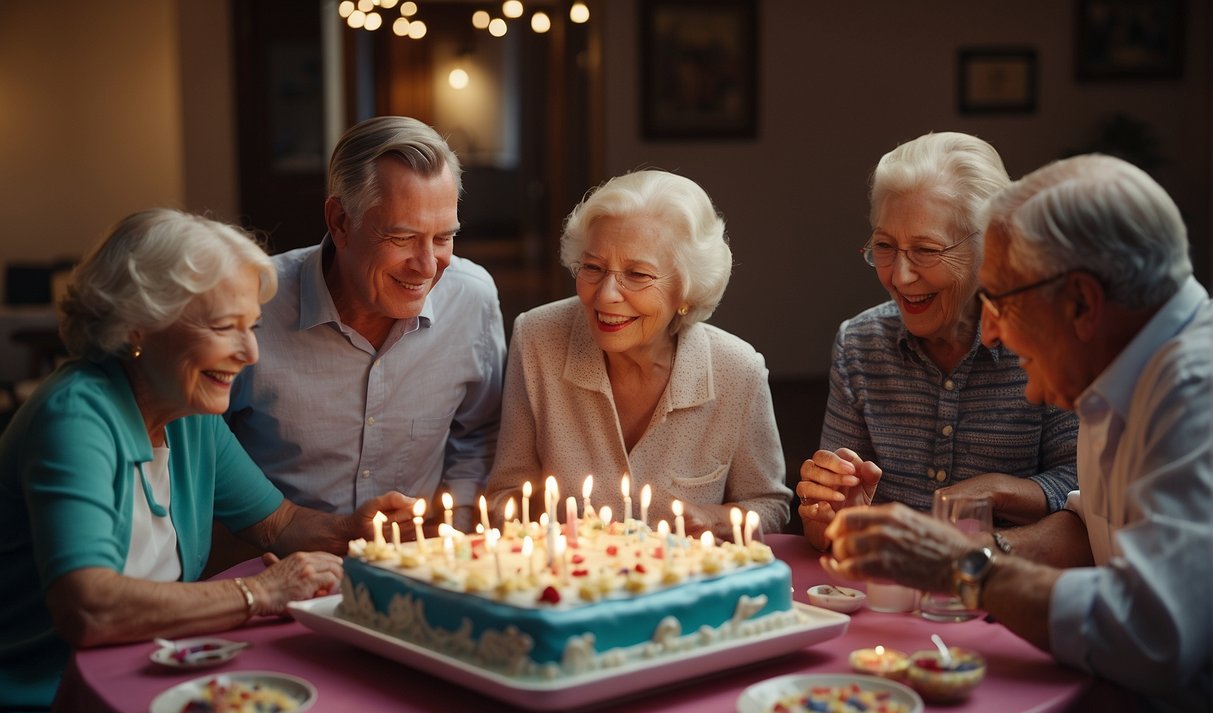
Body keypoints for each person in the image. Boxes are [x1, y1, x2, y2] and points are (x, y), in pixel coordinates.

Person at [824, 154, 1211, 713]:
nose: (991, 330)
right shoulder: (1119, 373)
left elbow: (1152, 635)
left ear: (1081, 302)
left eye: (999, 300)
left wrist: (960, 565)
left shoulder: (1193, 393)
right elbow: (1087, 524)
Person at [0, 210, 412, 713]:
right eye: (225, 328)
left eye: (251, 327)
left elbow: (278, 525)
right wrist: (261, 593)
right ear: (140, 326)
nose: (249, 353)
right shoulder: (75, 417)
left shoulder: (188, 411)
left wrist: (354, 530)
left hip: (150, 689)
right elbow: (88, 608)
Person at [797, 132, 1079, 550]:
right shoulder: (859, 344)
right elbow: (828, 529)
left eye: (927, 250)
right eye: (885, 246)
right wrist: (830, 512)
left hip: (1011, 590)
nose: (901, 276)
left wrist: (996, 491)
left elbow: (1083, 488)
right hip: (894, 591)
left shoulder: (1046, 341)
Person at [227, 116, 506, 528]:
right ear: (340, 222)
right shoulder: (250, 305)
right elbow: (202, 448)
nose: (427, 267)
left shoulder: (472, 299)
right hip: (274, 561)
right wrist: (275, 529)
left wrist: (452, 523)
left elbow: (479, 434)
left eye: (443, 237)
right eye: (401, 238)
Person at [486, 170, 791, 538]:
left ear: (687, 289)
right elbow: (507, 491)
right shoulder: (538, 337)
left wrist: (713, 518)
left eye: (638, 274)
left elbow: (769, 505)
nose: (606, 296)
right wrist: (538, 531)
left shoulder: (737, 370)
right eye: (593, 268)